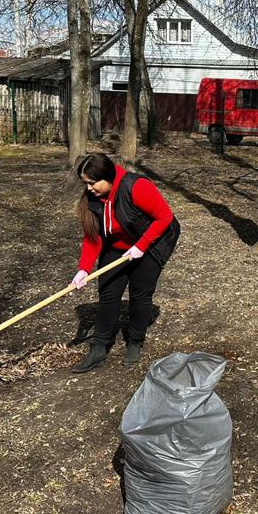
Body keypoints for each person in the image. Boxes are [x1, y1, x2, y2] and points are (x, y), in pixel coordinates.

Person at [69, 153, 180, 373]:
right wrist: (83, 269)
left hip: (151, 241)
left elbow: (164, 217)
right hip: (118, 245)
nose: (89, 188)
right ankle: (99, 347)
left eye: (92, 182)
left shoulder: (136, 187)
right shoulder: (93, 198)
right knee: (108, 292)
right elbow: (93, 237)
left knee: (140, 292)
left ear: (108, 177)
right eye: (86, 183)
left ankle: (135, 342)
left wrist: (141, 246)